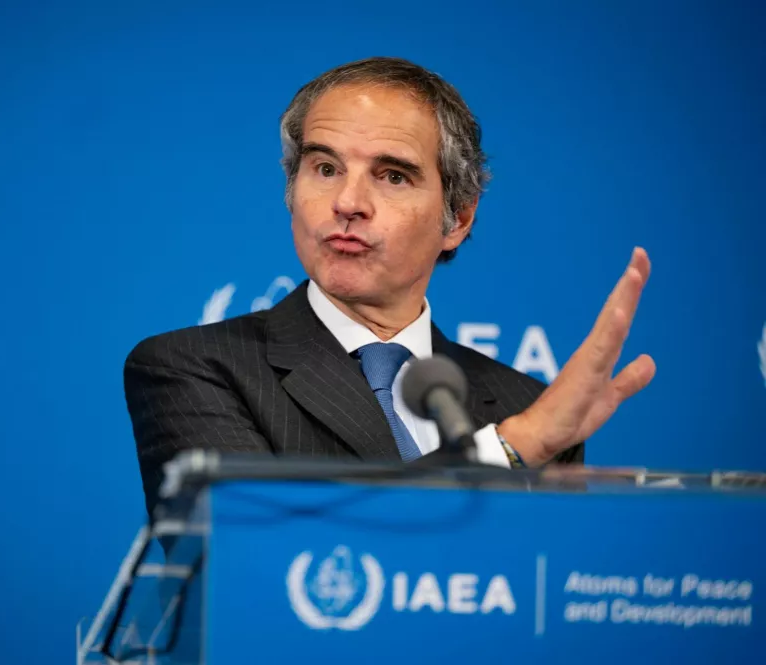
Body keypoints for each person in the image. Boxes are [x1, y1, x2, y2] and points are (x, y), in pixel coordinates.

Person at [123, 56, 655, 517]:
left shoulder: (525, 404)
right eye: (325, 168)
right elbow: (264, 561)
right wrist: (513, 447)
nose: (347, 202)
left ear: (458, 219)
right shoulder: (193, 369)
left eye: (393, 176)